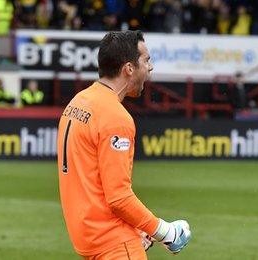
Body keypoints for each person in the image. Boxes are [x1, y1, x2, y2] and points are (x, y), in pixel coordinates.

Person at [57, 30, 192, 259]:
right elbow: (118, 197)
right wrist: (164, 232)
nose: (150, 67)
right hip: (114, 244)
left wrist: (138, 227)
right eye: (146, 60)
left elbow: (91, 181)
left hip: (89, 238)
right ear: (129, 68)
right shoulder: (116, 118)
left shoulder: (78, 102)